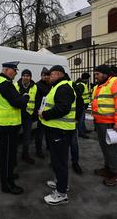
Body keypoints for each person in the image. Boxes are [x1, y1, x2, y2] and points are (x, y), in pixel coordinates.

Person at [39, 65, 76, 205]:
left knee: (59, 162)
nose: (49, 77)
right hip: (57, 129)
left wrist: (44, 114)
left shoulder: (63, 87)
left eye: (52, 74)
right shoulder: (58, 86)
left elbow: (63, 108)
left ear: (59, 74)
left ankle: (61, 194)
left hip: (60, 131)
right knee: (57, 160)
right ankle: (61, 183)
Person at [0, 61, 29, 195]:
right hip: (7, 126)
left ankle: (9, 176)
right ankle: (7, 185)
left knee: (9, 155)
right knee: (7, 157)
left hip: (6, 125)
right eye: (14, 70)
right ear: (7, 70)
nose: (16, 73)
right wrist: (26, 97)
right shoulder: (5, 84)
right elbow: (18, 102)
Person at [92, 64, 117, 186]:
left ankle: (115, 174)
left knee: (112, 150)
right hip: (101, 122)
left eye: (97, 74)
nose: (95, 76)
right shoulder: (100, 85)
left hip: (111, 123)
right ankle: (108, 168)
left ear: (105, 73)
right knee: (105, 148)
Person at [14, 69, 38, 164]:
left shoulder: (35, 87)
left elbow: (37, 100)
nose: (25, 77)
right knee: (14, 137)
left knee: (27, 137)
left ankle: (25, 155)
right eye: (24, 75)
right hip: (17, 114)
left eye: (27, 76)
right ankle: (13, 158)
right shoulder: (16, 85)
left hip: (28, 116)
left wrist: (34, 113)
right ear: (21, 76)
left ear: (30, 77)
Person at [34, 67, 51, 158]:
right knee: (40, 133)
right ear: (41, 76)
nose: (46, 77)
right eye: (44, 75)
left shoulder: (51, 85)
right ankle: (38, 150)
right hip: (41, 112)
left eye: (47, 75)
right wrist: (37, 111)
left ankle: (49, 146)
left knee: (48, 131)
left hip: (49, 112)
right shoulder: (37, 85)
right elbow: (35, 99)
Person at [76, 72, 91, 139]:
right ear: (86, 79)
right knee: (81, 120)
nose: (88, 80)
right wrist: (81, 105)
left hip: (83, 105)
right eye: (88, 79)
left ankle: (84, 130)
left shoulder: (82, 84)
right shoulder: (81, 85)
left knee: (82, 119)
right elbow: (78, 96)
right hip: (82, 105)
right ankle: (81, 133)